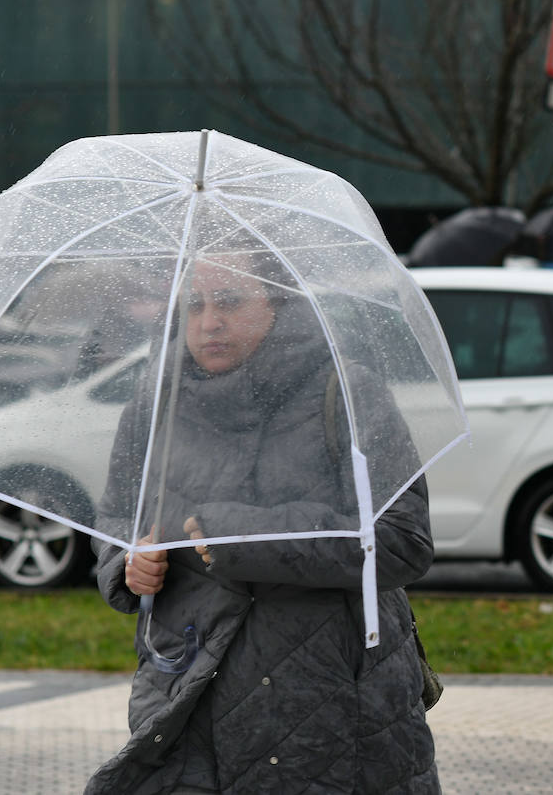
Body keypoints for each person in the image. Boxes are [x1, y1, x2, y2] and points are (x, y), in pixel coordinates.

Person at [86, 249, 440, 795]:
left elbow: (401, 542)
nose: (209, 321)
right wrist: (128, 563)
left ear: (279, 305)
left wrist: (240, 535)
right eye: (193, 305)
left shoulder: (347, 392)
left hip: (330, 703)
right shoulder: (155, 401)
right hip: (187, 694)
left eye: (228, 300)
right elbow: (117, 515)